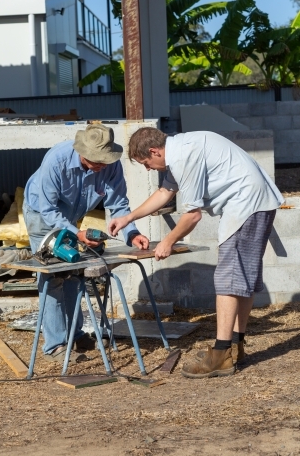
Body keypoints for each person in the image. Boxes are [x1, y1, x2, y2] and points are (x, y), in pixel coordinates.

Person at [108, 127, 284, 379]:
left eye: (146, 163)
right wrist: (128, 218)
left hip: (246, 205)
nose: (148, 169)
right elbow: (164, 192)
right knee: (241, 279)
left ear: (154, 151)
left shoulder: (182, 158)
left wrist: (168, 241)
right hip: (255, 203)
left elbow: (192, 215)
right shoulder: (181, 146)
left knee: (228, 281)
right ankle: (235, 346)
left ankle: (222, 355)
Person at [23, 124, 149, 363]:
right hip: (41, 215)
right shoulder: (56, 160)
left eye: (106, 159)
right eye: (96, 160)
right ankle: (55, 346)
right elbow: (48, 209)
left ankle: (75, 335)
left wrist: (131, 233)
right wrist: (77, 234)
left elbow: (120, 205)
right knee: (53, 276)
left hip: (70, 217)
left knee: (74, 271)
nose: (102, 165)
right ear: (82, 151)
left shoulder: (111, 165)